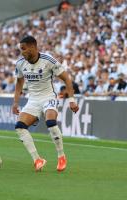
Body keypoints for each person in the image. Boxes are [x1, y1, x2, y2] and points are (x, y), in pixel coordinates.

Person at [12, 36, 79, 172]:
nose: (22, 52)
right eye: (20, 49)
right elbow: (19, 82)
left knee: (50, 122)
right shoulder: (20, 63)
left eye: (24, 49)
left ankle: (61, 156)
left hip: (49, 97)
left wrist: (72, 100)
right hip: (33, 100)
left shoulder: (48, 61)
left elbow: (66, 78)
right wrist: (15, 102)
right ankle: (37, 159)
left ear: (33, 47)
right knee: (19, 127)